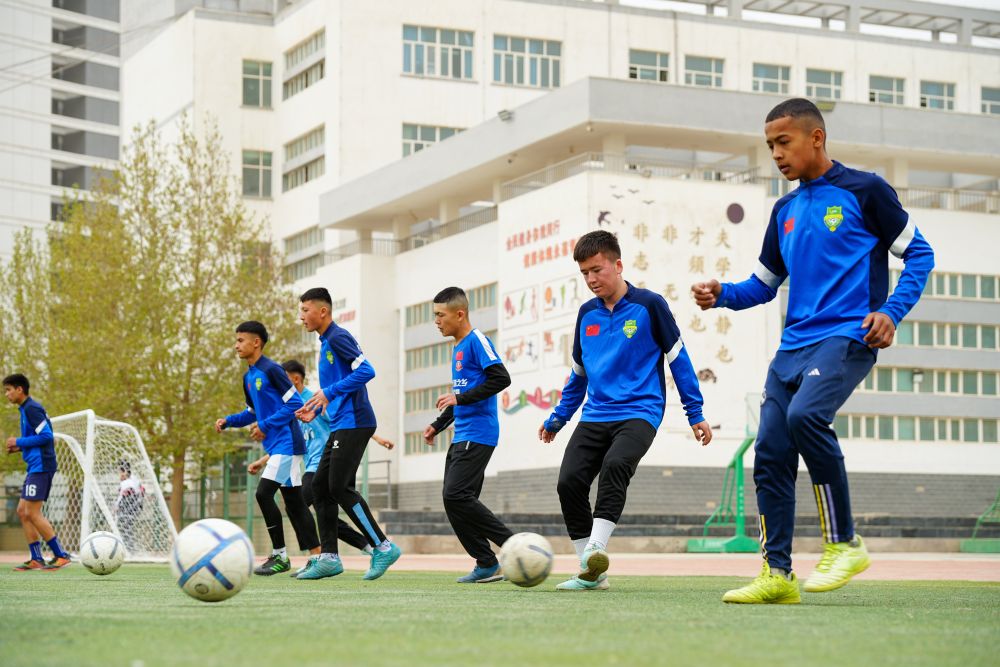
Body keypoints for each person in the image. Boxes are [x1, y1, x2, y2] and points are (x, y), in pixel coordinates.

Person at [692, 98, 934, 604]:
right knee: (770, 451)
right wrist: (722, 294)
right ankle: (777, 574)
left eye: (784, 142)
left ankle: (844, 543)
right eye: (769, 146)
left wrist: (891, 312)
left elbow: (920, 253)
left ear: (816, 137)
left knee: (805, 417)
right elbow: (763, 285)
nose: (776, 155)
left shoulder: (865, 190)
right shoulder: (783, 210)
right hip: (792, 349)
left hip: (847, 336)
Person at [539, 231, 712, 591]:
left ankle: (596, 548)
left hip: (640, 410)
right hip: (595, 413)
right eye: (584, 273)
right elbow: (579, 374)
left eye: (597, 270)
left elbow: (678, 358)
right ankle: (591, 570)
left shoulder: (650, 305)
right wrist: (559, 417)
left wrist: (694, 412)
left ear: (618, 265)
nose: (591, 279)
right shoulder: (586, 314)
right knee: (568, 482)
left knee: (616, 465)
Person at [295, 288, 401, 581]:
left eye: (305, 310)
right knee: (320, 487)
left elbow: (367, 371)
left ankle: (383, 547)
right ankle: (329, 558)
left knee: (339, 487)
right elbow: (339, 387)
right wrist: (317, 408)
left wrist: (328, 392)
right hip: (341, 423)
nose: (301, 317)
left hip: (356, 422)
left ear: (323, 312)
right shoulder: (325, 342)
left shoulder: (338, 337)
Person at [214, 321, 320, 576]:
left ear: (256, 343)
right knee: (295, 503)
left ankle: (280, 555)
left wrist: (265, 425)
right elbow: (252, 412)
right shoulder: (248, 377)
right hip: (277, 445)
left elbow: (294, 404)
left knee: (263, 494)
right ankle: (318, 557)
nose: (236, 345)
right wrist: (229, 421)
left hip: (288, 443)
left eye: (240, 340)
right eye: (236, 340)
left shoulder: (272, 370)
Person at [423, 287, 514, 583]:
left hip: (479, 432)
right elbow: (460, 394)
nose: (436, 321)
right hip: (462, 434)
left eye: (441, 315)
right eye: (435, 315)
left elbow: (501, 378)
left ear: (459, 314)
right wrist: (438, 424)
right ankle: (486, 563)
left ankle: (513, 544)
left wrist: (459, 399)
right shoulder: (458, 347)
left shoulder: (477, 341)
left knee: (456, 494)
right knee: (454, 500)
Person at [281, 359, 395, 577]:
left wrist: (377, 438)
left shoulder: (314, 397)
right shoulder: (291, 405)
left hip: (324, 457)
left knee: (306, 501)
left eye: (283, 379)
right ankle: (348, 549)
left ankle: (319, 554)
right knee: (320, 502)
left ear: (295, 379)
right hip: (311, 462)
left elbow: (344, 421)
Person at [3, 373, 72, 570]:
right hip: (35, 466)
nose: (6, 394)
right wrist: (20, 447)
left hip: (42, 467)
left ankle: (61, 555)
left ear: (20, 389)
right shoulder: (25, 409)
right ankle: (36, 558)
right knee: (22, 512)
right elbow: (38, 438)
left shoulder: (32, 408)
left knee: (32, 512)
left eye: (8, 390)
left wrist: (18, 441)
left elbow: (47, 436)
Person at [115, 460, 145, 553]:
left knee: (125, 529)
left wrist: (117, 506)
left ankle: (129, 550)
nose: (119, 475)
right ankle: (129, 549)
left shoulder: (126, 483)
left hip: (128, 508)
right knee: (128, 529)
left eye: (120, 472)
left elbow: (123, 496)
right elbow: (141, 491)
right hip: (134, 508)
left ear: (124, 472)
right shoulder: (134, 480)